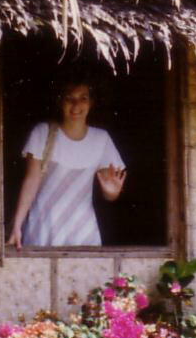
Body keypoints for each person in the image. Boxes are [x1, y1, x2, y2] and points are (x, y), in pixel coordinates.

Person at [8, 81, 126, 248]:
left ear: (91, 103)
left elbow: (110, 191)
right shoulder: (43, 132)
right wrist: (17, 225)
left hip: (83, 229)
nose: (76, 105)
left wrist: (112, 193)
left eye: (83, 98)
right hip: (43, 226)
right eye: (69, 98)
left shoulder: (101, 139)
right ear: (60, 101)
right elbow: (31, 181)